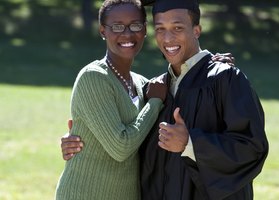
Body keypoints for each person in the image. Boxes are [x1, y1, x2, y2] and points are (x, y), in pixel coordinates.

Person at [60, 0, 267, 200]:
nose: (168, 38)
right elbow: (128, 136)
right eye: (160, 28)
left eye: (177, 28)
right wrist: (80, 139)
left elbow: (252, 147)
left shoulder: (224, 79)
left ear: (196, 30)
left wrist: (191, 144)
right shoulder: (156, 88)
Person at [55, 1, 167, 199]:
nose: (127, 34)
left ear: (144, 30)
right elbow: (121, 147)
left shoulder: (142, 84)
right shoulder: (94, 77)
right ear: (102, 31)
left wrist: (211, 63)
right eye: (116, 26)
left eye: (135, 25)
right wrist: (154, 104)